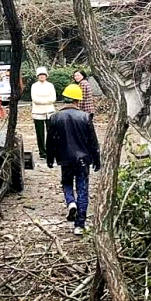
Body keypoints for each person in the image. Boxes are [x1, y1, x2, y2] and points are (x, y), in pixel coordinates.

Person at [47, 84, 101, 236]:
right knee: (83, 189)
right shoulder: (85, 117)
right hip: (83, 159)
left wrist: (50, 158)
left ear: (65, 99)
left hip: (65, 159)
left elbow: (50, 141)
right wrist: (97, 159)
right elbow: (93, 141)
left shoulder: (55, 117)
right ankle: (80, 225)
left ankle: (70, 202)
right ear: (79, 100)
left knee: (66, 183)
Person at [30, 66, 56, 159]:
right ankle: (42, 152)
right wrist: (46, 100)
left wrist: (44, 100)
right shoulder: (34, 86)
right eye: (40, 75)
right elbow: (35, 99)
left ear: (46, 76)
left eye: (43, 75)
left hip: (50, 112)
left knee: (51, 132)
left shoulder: (50, 85)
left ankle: (51, 150)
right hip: (37, 112)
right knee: (40, 133)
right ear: (37, 76)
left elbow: (53, 98)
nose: (42, 76)